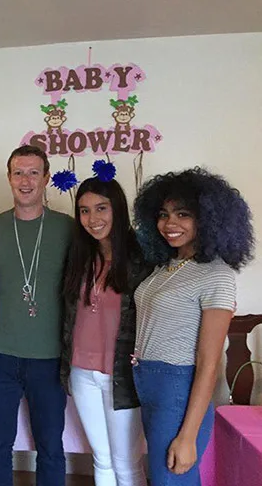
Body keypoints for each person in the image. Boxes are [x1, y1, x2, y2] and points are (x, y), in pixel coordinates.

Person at [132, 167, 254, 486]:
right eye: (163, 214)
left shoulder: (216, 275)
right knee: (163, 476)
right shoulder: (165, 266)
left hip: (177, 387)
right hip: (149, 382)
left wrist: (188, 436)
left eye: (183, 214)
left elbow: (208, 362)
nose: (169, 223)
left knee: (171, 477)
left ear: (209, 219)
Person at [0, 145, 73, 486]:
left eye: (34, 172)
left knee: (50, 447)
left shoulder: (67, 228)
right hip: (0, 356)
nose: (26, 180)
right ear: (9, 178)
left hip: (49, 357)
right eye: (18, 173)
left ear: (46, 178)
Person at [60, 172, 149, 486]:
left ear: (117, 210)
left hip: (121, 375)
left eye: (101, 208)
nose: (92, 219)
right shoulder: (80, 257)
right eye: (84, 210)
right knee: (101, 458)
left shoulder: (141, 259)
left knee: (126, 462)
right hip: (81, 372)